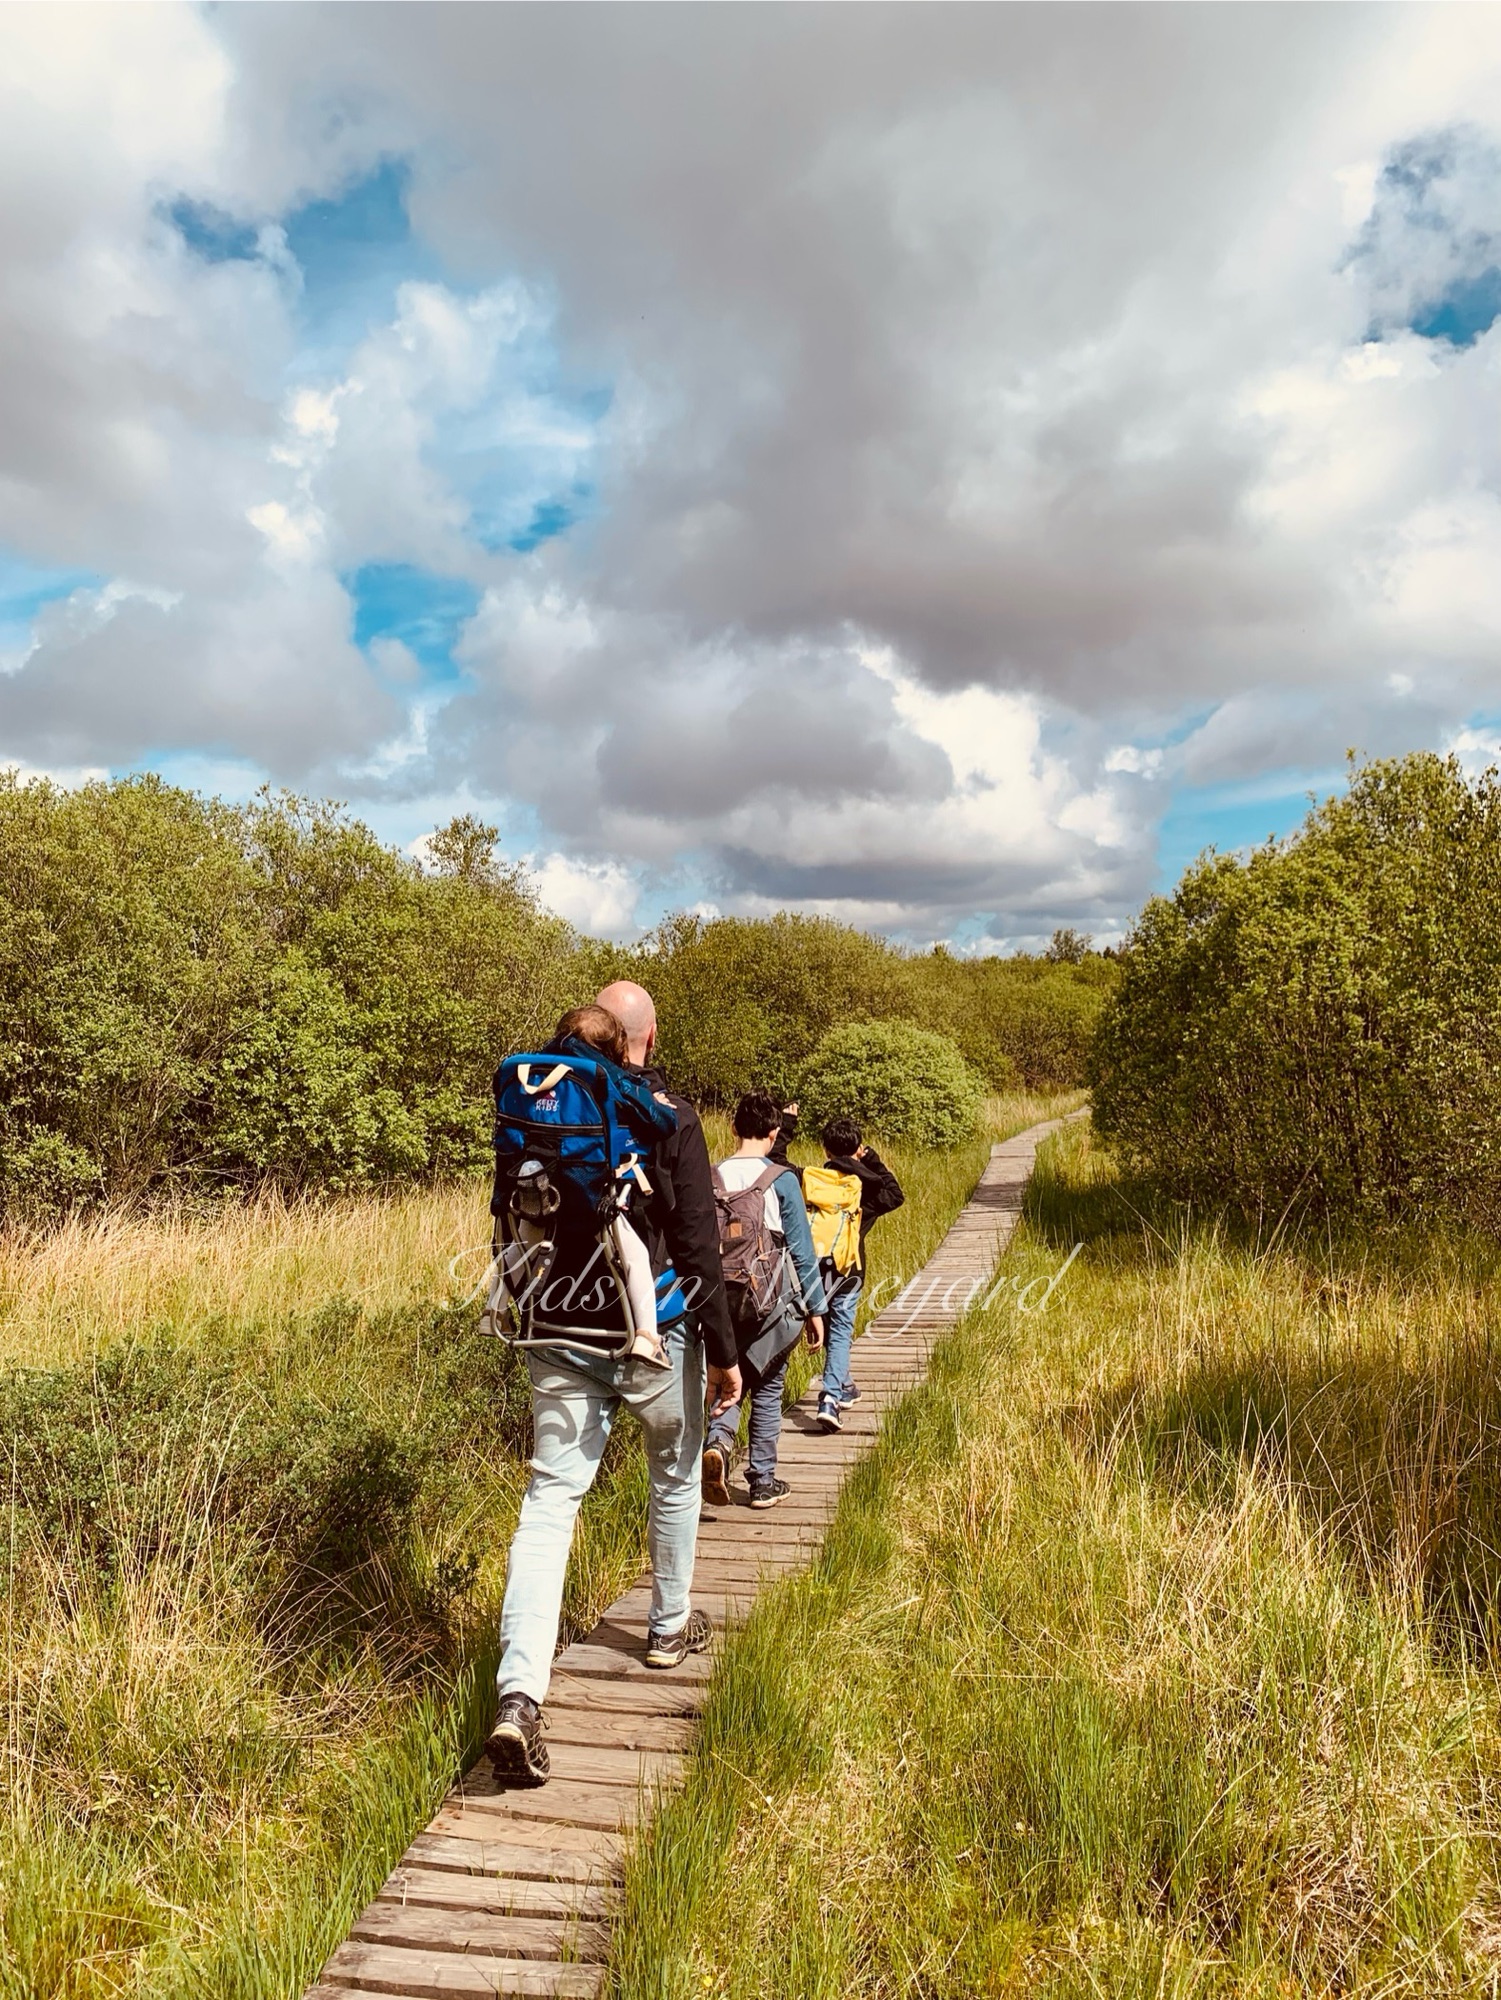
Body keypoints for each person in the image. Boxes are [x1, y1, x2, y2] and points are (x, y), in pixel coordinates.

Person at [488, 982, 740, 1788]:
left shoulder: (534, 1102)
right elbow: (700, 1240)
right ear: (646, 1038)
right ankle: (668, 1628)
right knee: (673, 1474)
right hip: (651, 1330)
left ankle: (520, 1694)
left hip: (553, 1324)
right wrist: (726, 1350)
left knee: (550, 1500)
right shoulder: (666, 1113)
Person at [701, 1091, 826, 1510]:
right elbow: (803, 1251)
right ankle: (761, 1481)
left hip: (717, 1300)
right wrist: (815, 1309)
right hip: (768, 1302)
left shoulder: (711, 1176)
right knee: (768, 1386)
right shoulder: (782, 1179)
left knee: (725, 1373)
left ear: (733, 1128)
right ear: (774, 1134)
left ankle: (718, 1443)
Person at [814, 1116, 904, 1434]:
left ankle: (843, 1385)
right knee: (839, 1332)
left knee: (830, 1332)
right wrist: (872, 1159)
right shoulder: (866, 1186)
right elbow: (896, 1195)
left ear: (825, 1149)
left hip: (817, 1270)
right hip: (851, 1269)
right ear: (857, 1149)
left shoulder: (816, 1182)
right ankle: (830, 1398)